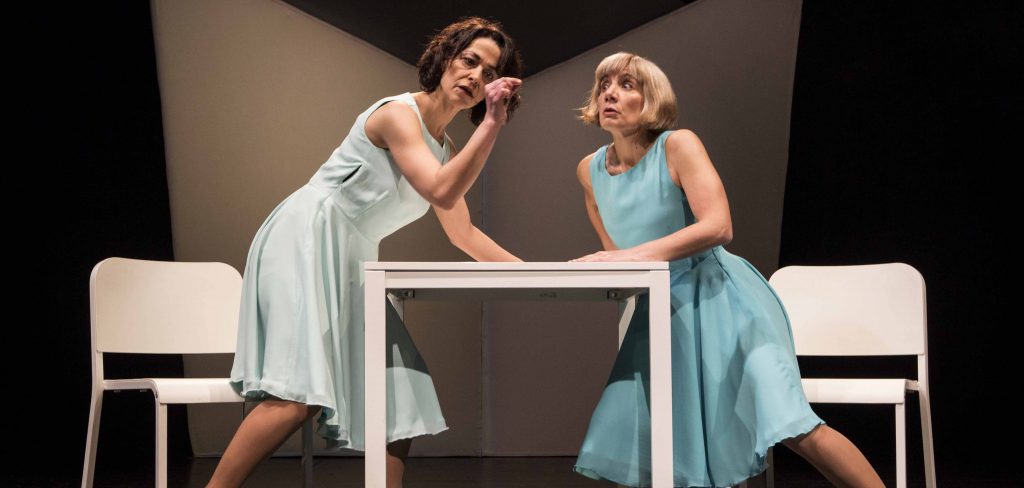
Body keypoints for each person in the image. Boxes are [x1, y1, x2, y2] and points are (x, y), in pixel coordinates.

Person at [208, 18, 523, 488]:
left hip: (355, 259)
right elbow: (440, 190)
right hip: (307, 239)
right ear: (445, 58)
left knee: (399, 396)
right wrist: (493, 124)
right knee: (295, 395)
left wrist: (542, 272)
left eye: (489, 72)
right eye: (469, 60)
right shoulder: (397, 115)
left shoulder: (445, 149)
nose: (476, 76)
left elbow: (464, 235)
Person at [570, 52, 884, 487]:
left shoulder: (678, 146)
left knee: (793, 426)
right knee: (661, 438)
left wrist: (628, 257)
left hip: (723, 299)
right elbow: (617, 257)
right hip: (662, 309)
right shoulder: (589, 171)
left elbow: (719, 225)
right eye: (604, 84)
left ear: (652, 97)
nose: (610, 94)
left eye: (626, 84)